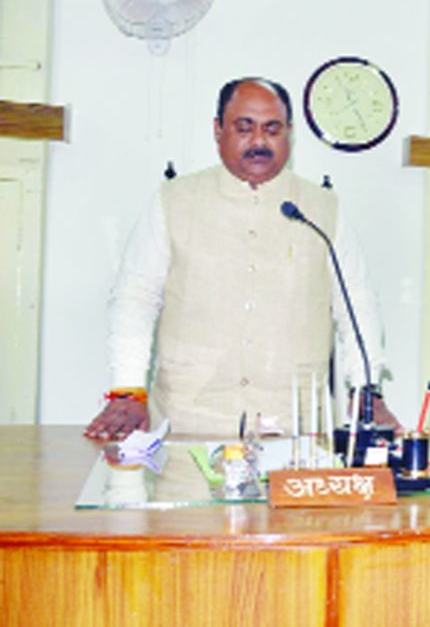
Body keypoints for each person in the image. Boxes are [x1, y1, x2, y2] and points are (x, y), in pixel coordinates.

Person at [85, 77, 396, 440]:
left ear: (289, 133)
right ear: (218, 130)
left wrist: (366, 391)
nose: (259, 142)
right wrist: (127, 390)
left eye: (272, 129)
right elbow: (135, 299)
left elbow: (356, 304)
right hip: (187, 424)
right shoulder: (173, 201)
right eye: (244, 128)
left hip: (295, 430)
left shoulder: (323, 210)